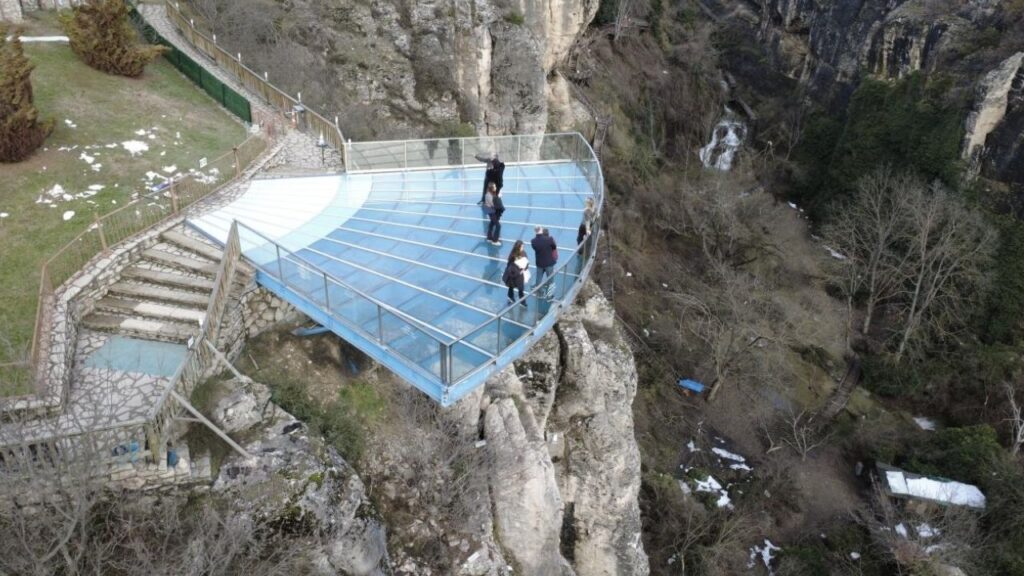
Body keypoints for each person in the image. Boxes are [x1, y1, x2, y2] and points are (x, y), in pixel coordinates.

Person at [530, 225, 557, 298]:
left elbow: (535, 249)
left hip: (540, 263)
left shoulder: (533, 241)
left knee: (538, 279)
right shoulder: (549, 239)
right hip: (549, 263)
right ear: (541, 230)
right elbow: (554, 247)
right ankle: (550, 295)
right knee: (550, 279)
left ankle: (539, 293)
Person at [502, 241, 529, 307]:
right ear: (518, 247)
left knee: (520, 288)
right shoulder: (513, 255)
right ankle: (512, 297)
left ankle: (522, 301)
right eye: (522, 246)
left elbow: (527, 263)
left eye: (523, 246)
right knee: (512, 285)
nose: (523, 248)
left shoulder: (523, 253)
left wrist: (524, 269)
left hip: (519, 274)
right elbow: (510, 264)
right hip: (514, 273)